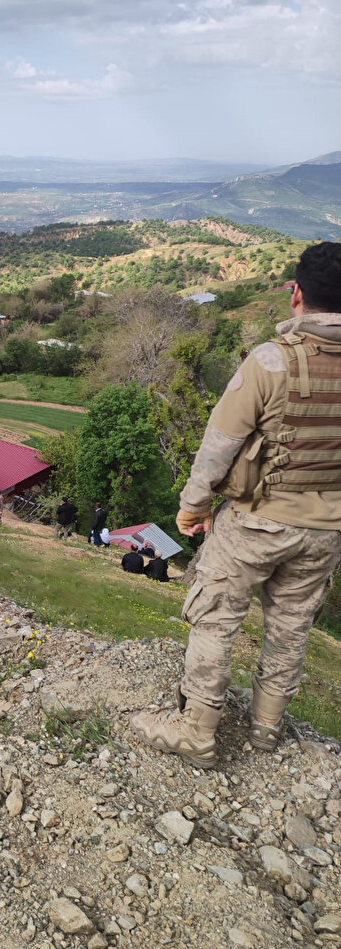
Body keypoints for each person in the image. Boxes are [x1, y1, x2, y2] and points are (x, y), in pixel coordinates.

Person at [131, 242, 341, 770]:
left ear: (296, 294)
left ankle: (197, 731)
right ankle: (266, 729)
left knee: (215, 617)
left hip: (256, 521)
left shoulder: (271, 360)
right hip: (325, 530)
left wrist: (192, 507)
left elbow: (219, 445)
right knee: (292, 627)